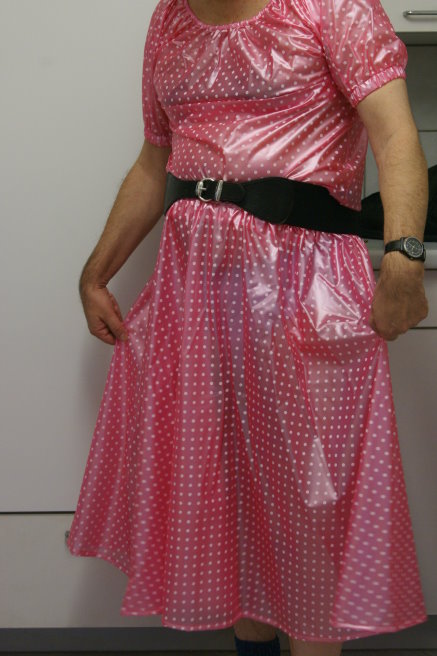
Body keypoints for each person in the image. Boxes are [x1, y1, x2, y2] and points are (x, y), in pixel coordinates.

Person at [67, 1, 430, 655]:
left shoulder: (331, 6)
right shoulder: (171, 19)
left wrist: (404, 257)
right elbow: (155, 162)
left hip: (304, 288)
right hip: (195, 296)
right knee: (228, 495)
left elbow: (395, 135)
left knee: (312, 503)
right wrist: (97, 273)